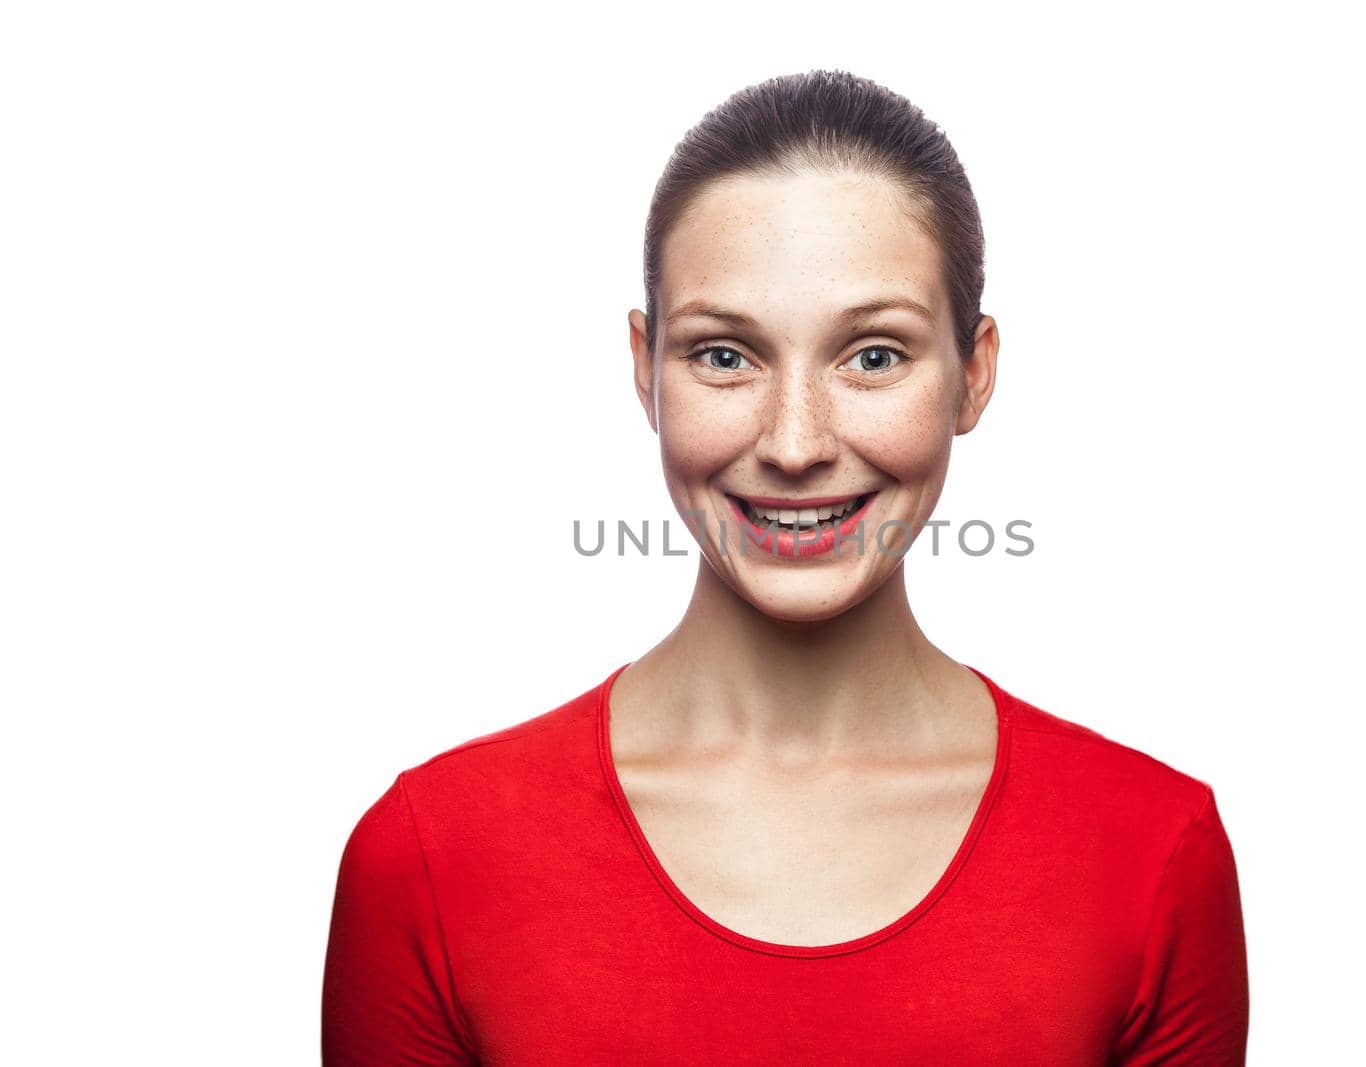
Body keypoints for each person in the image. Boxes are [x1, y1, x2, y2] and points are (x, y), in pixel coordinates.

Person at [322, 69, 1249, 1065]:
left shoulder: (1149, 849)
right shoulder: (433, 856)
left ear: (973, 372)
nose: (796, 443)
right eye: (724, 355)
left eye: (874, 355)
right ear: (645, 368)